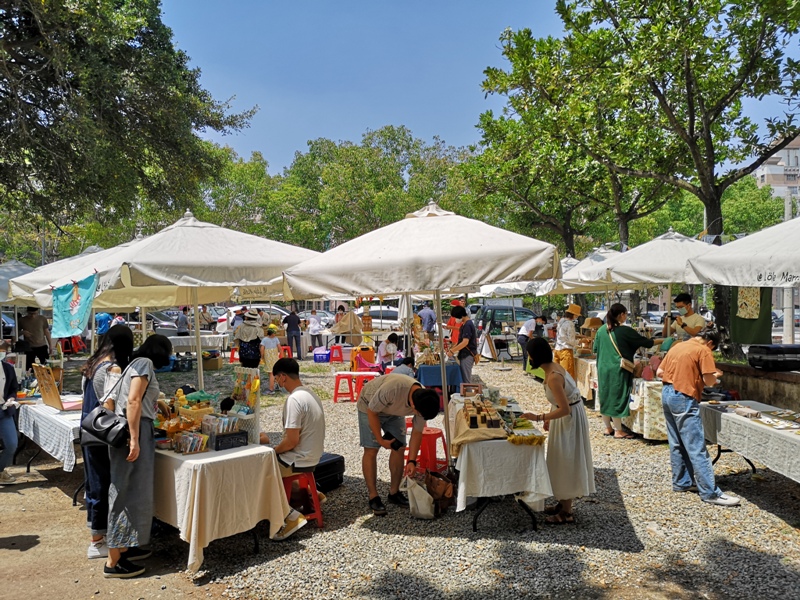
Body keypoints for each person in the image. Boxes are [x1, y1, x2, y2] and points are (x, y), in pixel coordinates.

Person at [104, 334, 172, 578]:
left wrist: (157, 403)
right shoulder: (144, 363)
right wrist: (134, 438)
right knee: (123, 492)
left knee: (133, 491)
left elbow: (135, 399)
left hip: (135, 428)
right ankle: (113, 561)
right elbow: (133, 401)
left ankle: (124, 547)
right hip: (133, 430)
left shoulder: (134, 363)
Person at [656, 330, 740, 506]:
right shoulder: (703, 350)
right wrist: (716, 375)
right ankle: (710, 492)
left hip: (667, 393)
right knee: (696, 446)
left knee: (676, 442)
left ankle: (682, 482)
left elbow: (659, 372)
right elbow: (709, 381)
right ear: (710, 343)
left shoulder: (677, 346)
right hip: (684, 395)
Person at [521, 337, 595, 524]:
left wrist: (539, 417)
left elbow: (565, 408)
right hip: (566, 417)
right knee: (560, 459)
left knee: (566, 460)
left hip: (569, 419)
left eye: (529, 355)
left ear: (535, 356)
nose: (528, 358)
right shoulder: (553, 368)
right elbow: (560, 401)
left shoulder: (554, 376)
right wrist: (550, 417)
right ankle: (563, 503)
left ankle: (566, 513)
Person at [80, 324, 134, 559]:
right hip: (102, 435)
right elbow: (109, 404)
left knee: (94, 483)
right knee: (103, 484)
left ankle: (97, 536)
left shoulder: (93, 364)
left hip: (89, 430)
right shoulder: (111, 367)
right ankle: (98, 540)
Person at [357, 373, 439, 516]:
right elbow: (372, 411)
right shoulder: (393, 389)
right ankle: (373, 496)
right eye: (419, 413)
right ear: (413, 406)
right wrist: (380, 440)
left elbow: (417, 432)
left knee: (399, 448)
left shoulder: (424, 399)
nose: (420, 416)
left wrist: (412, 461)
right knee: (371, 450)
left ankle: (394, 493)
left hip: (393, 412)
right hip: (369, 406)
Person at [265, 358, 326, 540]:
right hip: (313, 455)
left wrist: (274, 451)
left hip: (299, 459)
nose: (277, 383)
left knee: (262, 470)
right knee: (274, 462)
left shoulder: (294, 400)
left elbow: (291, 441)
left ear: (283, 377)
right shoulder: (311, 394)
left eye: (276, 379)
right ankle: (310, 493)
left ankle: (288, 515)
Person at [594, 304, 659, 439]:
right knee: (617, 397)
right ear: (622, 314)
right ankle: (618, 430)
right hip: (618, 369)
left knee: (605, 396)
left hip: (602, 368)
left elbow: (595, 349)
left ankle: (608, 427)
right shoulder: (624, 331)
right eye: (626, 314)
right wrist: (664, 340)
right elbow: (647, 343)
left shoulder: (601, 330)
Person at [0, 355, 20, 484]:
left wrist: (11, 398)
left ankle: (0, 470)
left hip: (3, 410)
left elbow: (13, 388)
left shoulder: (7, 368)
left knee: (12, 444)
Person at [446, 305, 477, 384]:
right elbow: (460, 341)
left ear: (461, 316)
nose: (456, 319)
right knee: (463, 378)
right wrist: (452, 348)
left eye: (456, 317)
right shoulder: (464, 324)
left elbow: (465, 342)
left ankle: (468, 392)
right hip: (464, 354)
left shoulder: (468, 325)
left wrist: (452, 351)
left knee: (466, 380)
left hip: (467, 355)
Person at [554, 303, 581, 379]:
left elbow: (563, 334)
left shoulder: (561, 320)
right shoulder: (570, 323)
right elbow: (571, 341)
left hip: (557, 349)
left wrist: (575, 334)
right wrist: (580, 341)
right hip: (566, 351)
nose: (577, 317)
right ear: (573, 315)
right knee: (567, 376)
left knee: (557, 374)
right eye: (576, 315)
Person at [260, 325, 284, 394]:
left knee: (271, 373)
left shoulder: (264, 339)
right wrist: (281, 355)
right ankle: (277, 385)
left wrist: (262, 357)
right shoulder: (276, 339)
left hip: (268, 357)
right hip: (275, 357)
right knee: (273, 372)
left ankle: (271, 388)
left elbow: (262, 349)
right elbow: (280, 348)